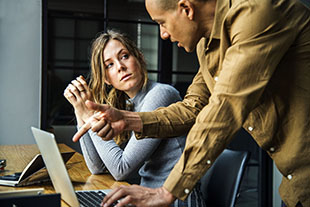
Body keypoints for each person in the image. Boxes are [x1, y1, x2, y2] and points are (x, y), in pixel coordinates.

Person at [73, 0, 310, 206]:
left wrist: (168, 191)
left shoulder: (255, 14)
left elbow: (224, 108)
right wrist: (127, 119)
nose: (163, 34)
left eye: (161, 22)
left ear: (186, 8)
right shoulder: (206, 46)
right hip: (295, 186)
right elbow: (192, 108)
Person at [64, 30, 206, 207]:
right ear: (107, 79)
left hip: (176, 201)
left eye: (124, 56)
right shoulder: (129, 104)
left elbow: (120, 169)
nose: (120, 67)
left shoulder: (160, 95)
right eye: (109, 65)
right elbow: (97, 168)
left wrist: (90, 117)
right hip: (147, 199)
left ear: (139, 57)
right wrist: (81, 111)